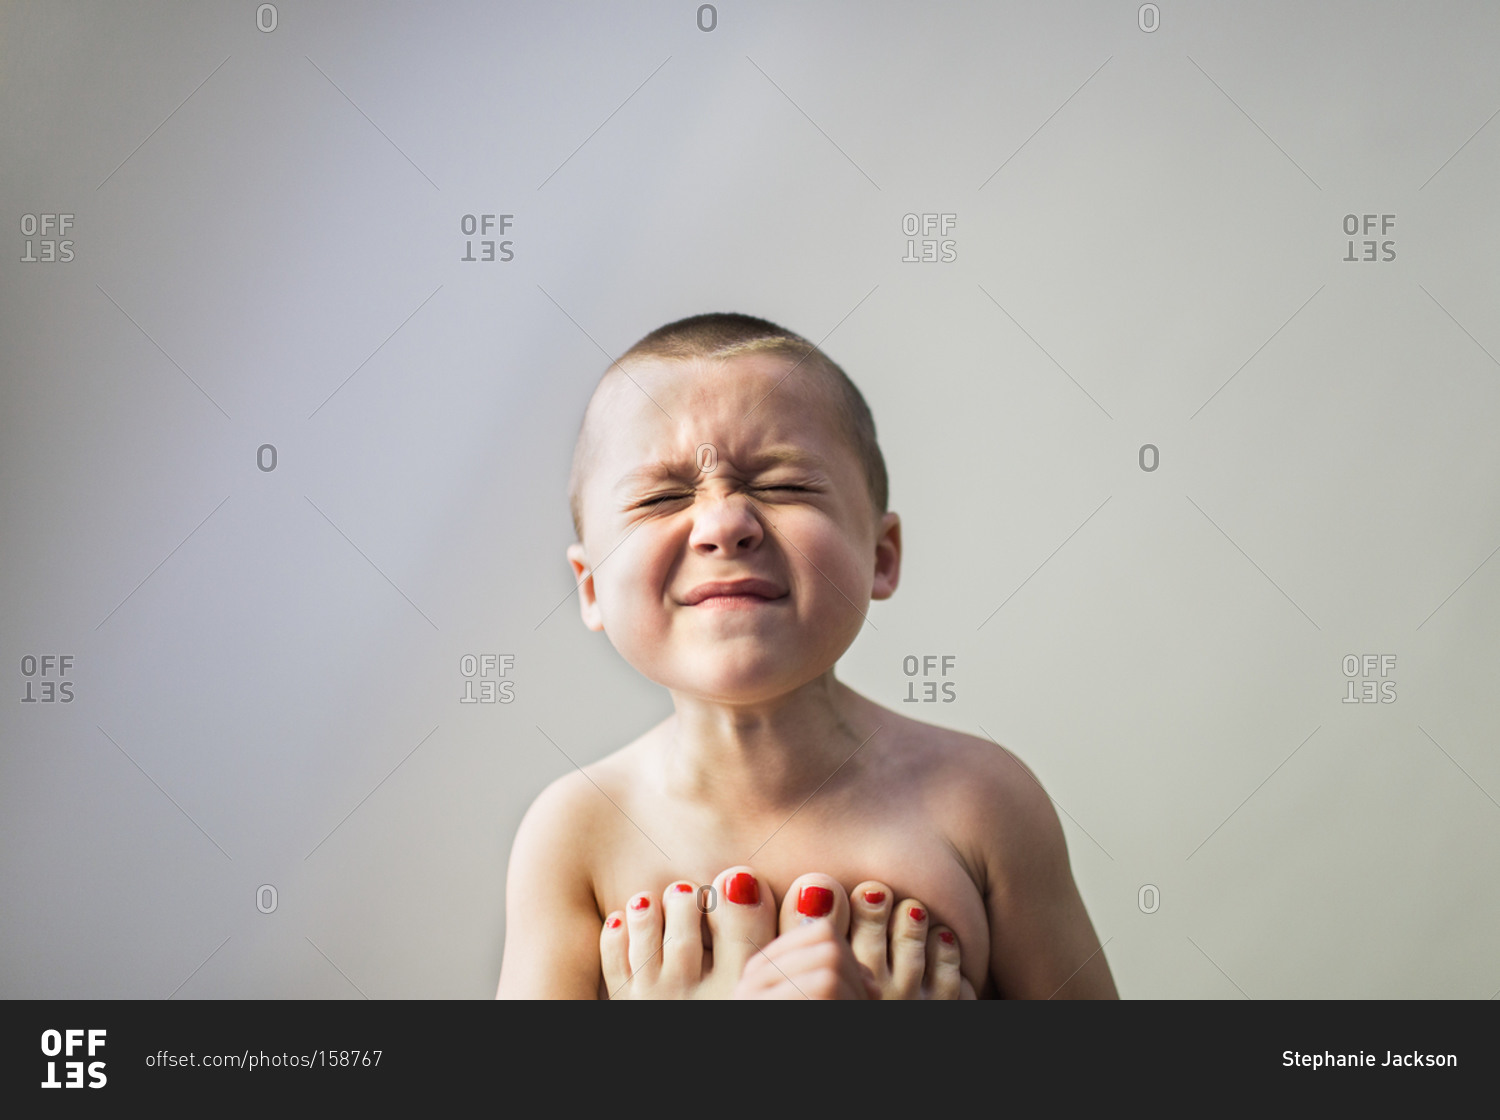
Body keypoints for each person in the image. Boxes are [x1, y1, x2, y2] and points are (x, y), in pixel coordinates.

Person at [496, 313, 1116, 999]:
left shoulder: (983, 803)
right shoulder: (575, 835)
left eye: (784, 485)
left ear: (881, 557)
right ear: (590, 587)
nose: (725, 523)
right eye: (662, 497)